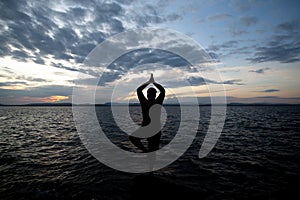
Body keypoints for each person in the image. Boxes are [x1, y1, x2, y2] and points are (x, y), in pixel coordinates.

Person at [129, 73, 165, 152]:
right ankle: (146, 151)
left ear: (155, 95)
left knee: (153, 149)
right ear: (147, 94)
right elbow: (139, 90)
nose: (151, 95)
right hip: (147, 128)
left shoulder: (157, 102)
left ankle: (147, 154)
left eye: (152, 93)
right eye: (150, 93)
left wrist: (152, 82)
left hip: (154, 129)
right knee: (133, 138)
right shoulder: (145, 102)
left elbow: (162, 91)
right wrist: (150, 82)